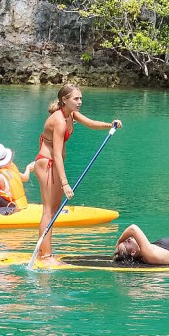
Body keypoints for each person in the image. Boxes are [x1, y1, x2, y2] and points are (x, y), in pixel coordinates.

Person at [34, 83, 122, 262]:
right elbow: (57, 154)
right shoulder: (58, 120)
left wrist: (109, 125)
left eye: (81, 98)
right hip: (47, 164)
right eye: (76, 98)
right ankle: (45, 255)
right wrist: (65, 183)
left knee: (54, 210)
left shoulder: (70, 114)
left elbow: (90, 123)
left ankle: (44, 251)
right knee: (48, 211)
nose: (80, 101)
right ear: (64, 100)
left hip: (54, 164)